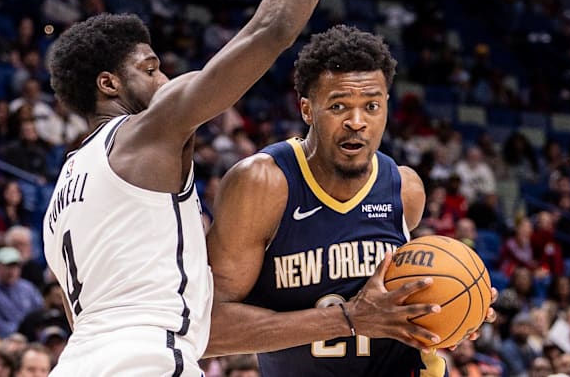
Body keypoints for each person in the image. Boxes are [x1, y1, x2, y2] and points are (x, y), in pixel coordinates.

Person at [41, 0, 329, 375]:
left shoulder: (61, 199)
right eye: (151, 69)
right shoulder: (147, 132)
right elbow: (270, 30)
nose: (164, 80)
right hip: (147, 362)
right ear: (109, 84)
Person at [205, 25, 496, 376]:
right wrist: (347, 320)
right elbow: (208, 330)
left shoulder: (405, 189)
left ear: (386, 106)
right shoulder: (263, 184)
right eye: (339, 105)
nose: (357, 122)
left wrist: (456, 308)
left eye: (371, 105)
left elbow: (409, 297)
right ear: (307, 110)